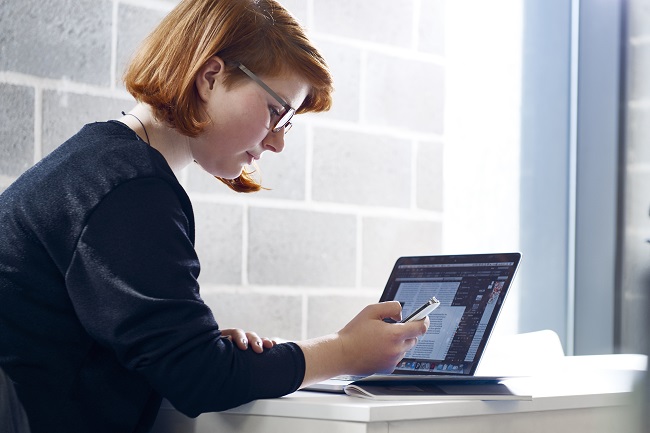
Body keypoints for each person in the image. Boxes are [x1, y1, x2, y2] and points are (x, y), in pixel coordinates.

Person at [0, 0, 429, 432]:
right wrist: (344, 352)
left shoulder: (98, 163)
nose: (278, 143)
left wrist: (194, 343)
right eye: (277, 111)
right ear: (210, 77)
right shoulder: (129, 188)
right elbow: (198, 379)